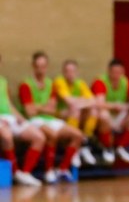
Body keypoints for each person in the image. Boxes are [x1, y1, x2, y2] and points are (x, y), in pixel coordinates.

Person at [18, 51, 83, 183]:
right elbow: (30, 112)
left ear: (47, 66)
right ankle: (49, 171)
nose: (40, 69)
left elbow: (52, 109)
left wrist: (37, 107)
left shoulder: (51, 84)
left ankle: (63, 169)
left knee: (78, 135)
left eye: (43, 66)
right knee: (52, 135)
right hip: (33, 121)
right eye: (38, 66)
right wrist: (44, 108)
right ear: (33, 66)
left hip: (50, 119)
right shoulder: (25, 85)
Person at [0, 54, 46, 187]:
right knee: (6, 136)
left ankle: (25, 173)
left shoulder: (3, 81)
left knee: (39, 137)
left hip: (9, 117)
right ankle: (14, 172)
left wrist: (21, 118)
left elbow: (8, 104)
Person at [91, 58, 129, 164]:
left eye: (119, 72)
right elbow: (99, 104)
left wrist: (127, 106)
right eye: (114, 72)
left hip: (120, 117)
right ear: (109, 71)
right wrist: (114, 106)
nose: (116, 75)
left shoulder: (126, 82)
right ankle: (108, 148)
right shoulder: (100, 82)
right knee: (103, 115)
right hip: (103, 118)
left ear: (123, 72)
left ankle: (120, 147)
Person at [54, 59, 98, 165]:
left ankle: (85, 142)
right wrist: (83, 100)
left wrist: (79, 102)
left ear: (77, 72)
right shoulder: (59, 82)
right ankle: (73, 145)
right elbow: (69, 102)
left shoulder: (80, 83)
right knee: (75, 111)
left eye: (72, 71)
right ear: (63, 72)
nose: (70, 74)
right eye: (67, 71)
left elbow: (93, 101)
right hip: (60, 115)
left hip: (75, 113)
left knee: (93, 111)